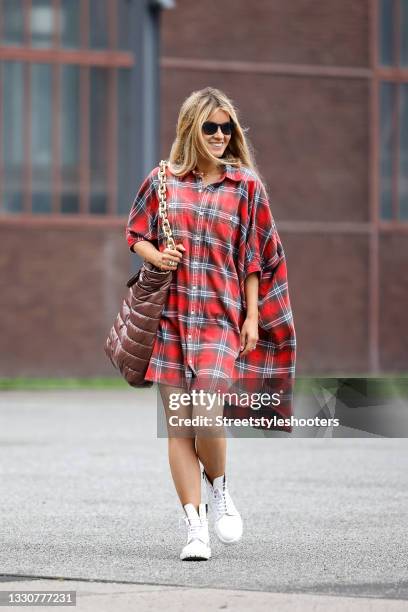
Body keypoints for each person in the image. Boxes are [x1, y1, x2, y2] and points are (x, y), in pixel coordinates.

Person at [125, 87, 296, 561]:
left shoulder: (245, 187)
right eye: (211, 127)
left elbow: (257, 255)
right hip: (172, 318)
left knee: (206, 416)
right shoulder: (162, 179)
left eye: (227, 128)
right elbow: (135, 232)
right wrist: (158, 254)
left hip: (221, 317)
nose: (220, 135)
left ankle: (220, 489)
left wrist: (254, 315)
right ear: (190, 130)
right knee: (179, 427)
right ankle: (195, 530)